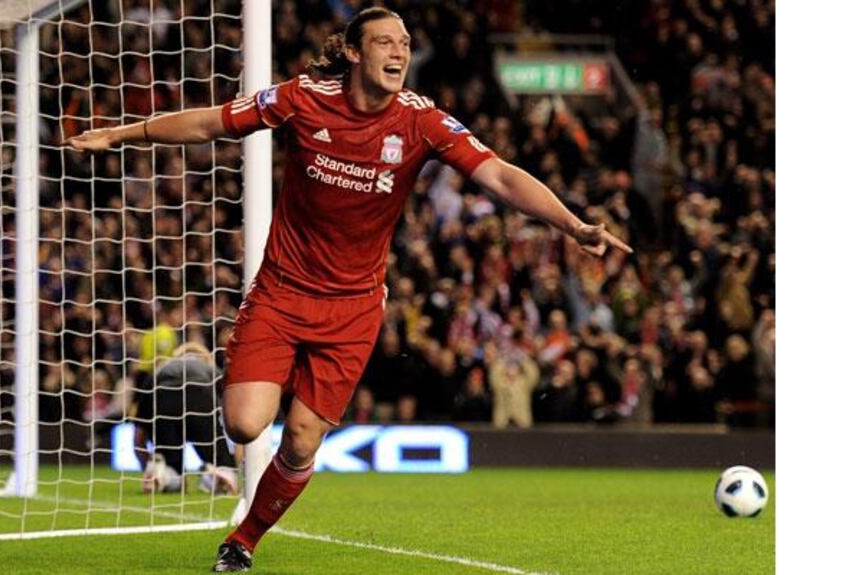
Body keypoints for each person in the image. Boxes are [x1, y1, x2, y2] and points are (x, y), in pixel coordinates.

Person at [67, 7, 631, 572]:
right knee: (243, 423)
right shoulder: (302, 98)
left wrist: (572, 224)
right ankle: (192, 441)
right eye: (386, 41)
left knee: (304, 442)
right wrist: (121, 132)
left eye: (405, 43)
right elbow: (210, 122)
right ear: (356, 53)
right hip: (282, 292)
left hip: (354, 308)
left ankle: (242, 541)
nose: (399, 52)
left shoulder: (421, 120)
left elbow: (500, 175)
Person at [133, 342, 238, 497]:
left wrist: (146, 465)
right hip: (200, 398)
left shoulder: (157, 372)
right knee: (222, 465)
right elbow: (235, 419)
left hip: (163, 399)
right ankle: (216, 474)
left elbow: (138, 438)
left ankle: (163, 474)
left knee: (172, 469)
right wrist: (232, 463)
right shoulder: (211, 370)